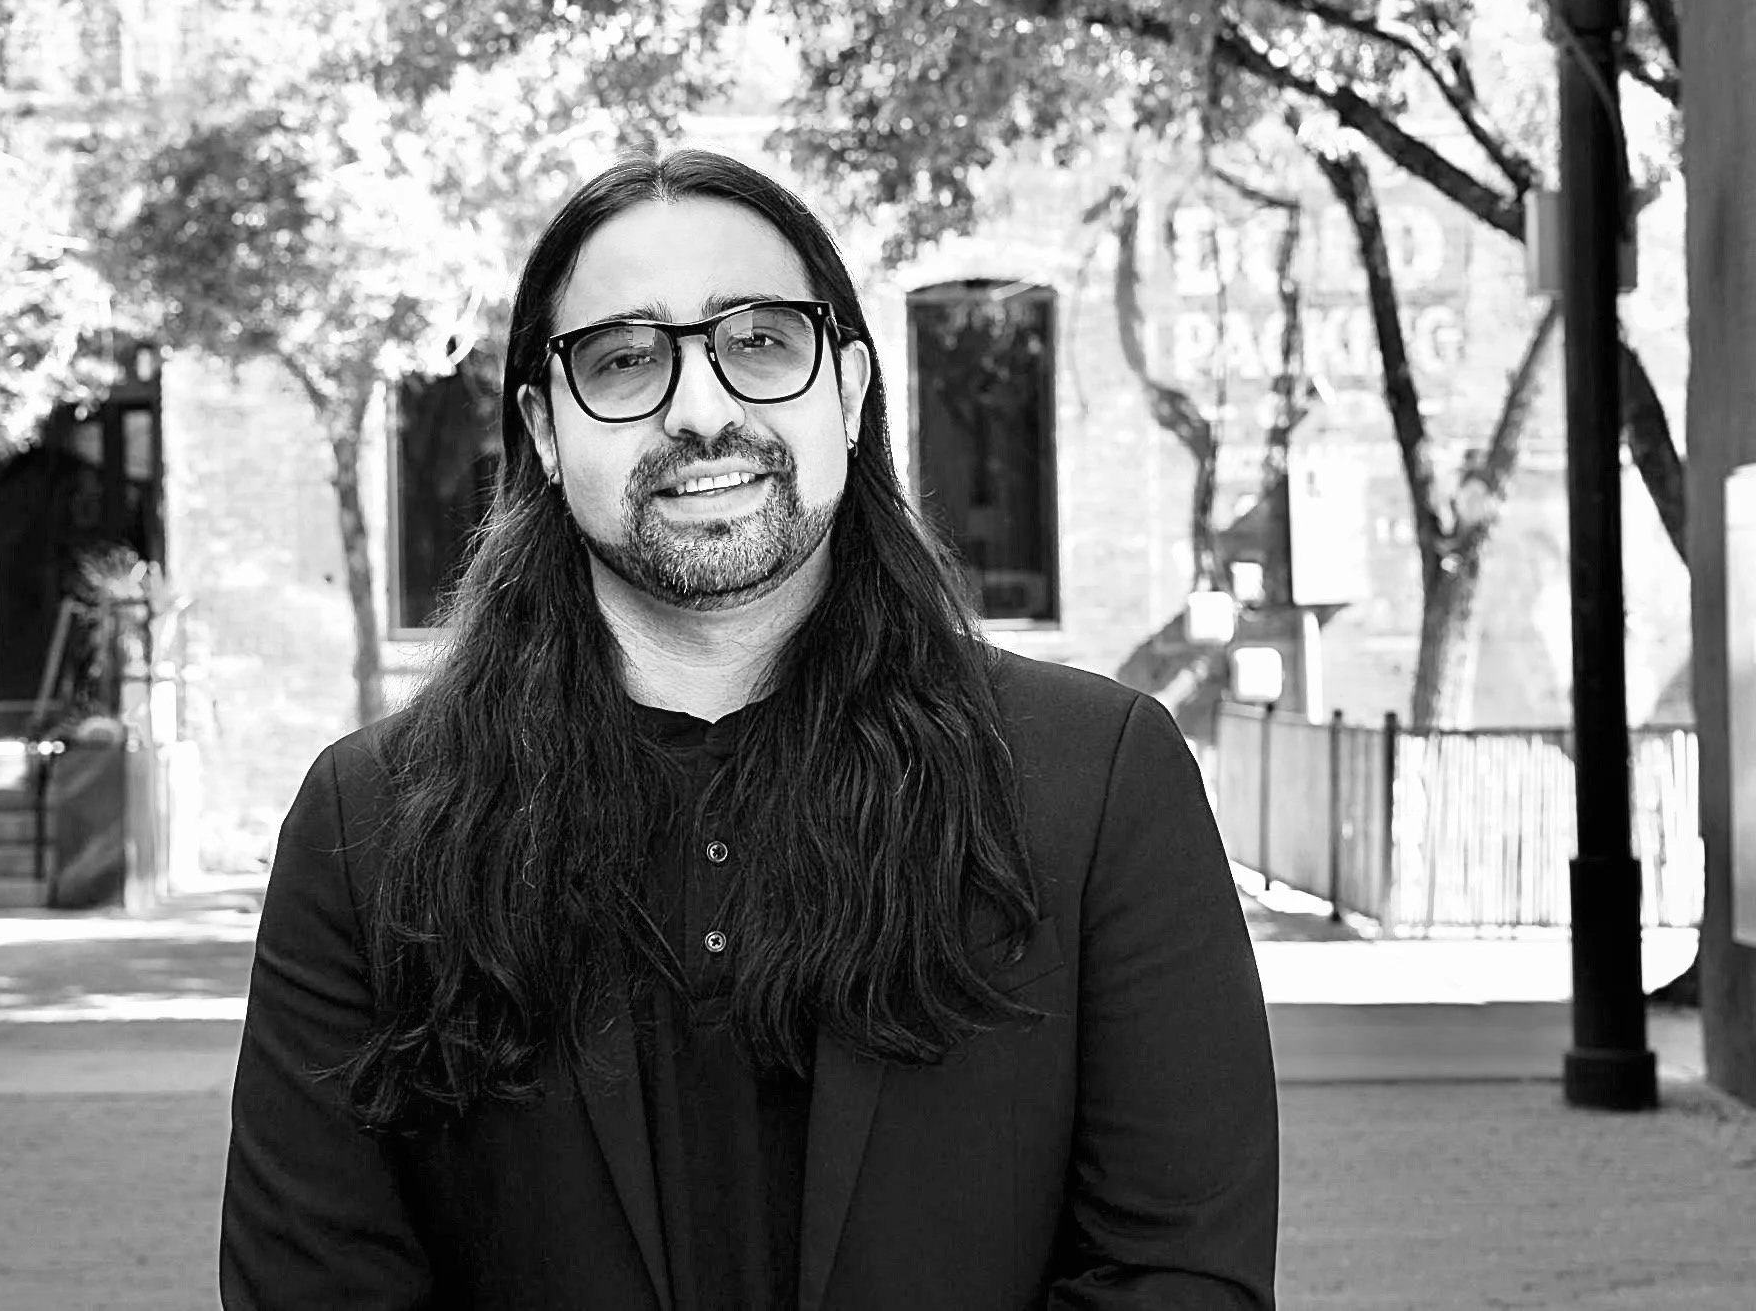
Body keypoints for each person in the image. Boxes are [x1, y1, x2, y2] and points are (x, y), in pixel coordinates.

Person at [220, 148, 1279, 1310]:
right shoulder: (366, 823)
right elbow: (313, 1286)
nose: (701, 409)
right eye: (623, 361)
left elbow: (1174, 1275)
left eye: (760, 341)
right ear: (540, 427)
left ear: (851, 389)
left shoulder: (1097, 782)